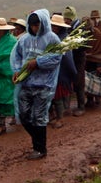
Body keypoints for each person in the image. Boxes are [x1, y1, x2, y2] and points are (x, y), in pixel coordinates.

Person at [10, 9, 62, 160]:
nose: (35, 28)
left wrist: (38, 62)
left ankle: (40, 149)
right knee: (23, 114)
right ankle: (38, 141)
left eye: (37, 25)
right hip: (27, 83)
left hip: (44, 84)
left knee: (39, 116)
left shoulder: (53, 39)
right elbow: (16, 55)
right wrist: (17, 70)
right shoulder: (24, 39)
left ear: (43, 23)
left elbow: (56, 58)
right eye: (32, 25)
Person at [48, 14, 77, 128]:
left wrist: (72, 73)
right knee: (51, 97)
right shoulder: (51, 38)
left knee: (57, 97)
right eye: (52, 26)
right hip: (51, 72)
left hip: (61, 73)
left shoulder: (64, 39)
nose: (53, 28)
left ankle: (60, 118)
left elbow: (68, 58)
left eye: (55, 26)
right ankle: (54, 116)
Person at [84, 9, 101, 107]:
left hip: (98, 58)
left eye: (95, 18)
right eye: (93, 18)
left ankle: (97, 97)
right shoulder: (86, 32)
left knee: (96, 78)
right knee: (88, 80)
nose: (94, 20)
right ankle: (90, 99)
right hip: (88, 59)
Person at [63, 6, 87, 115]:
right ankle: (66, 107)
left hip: (78, 58)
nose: (66, 21)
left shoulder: (81, 28)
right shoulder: (68, 28)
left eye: (67, 19)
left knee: (79, 81)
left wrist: (72, 46)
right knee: (67, 81)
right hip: (69, 58)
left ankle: (81, 107)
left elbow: (84, 45)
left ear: (72, 18)